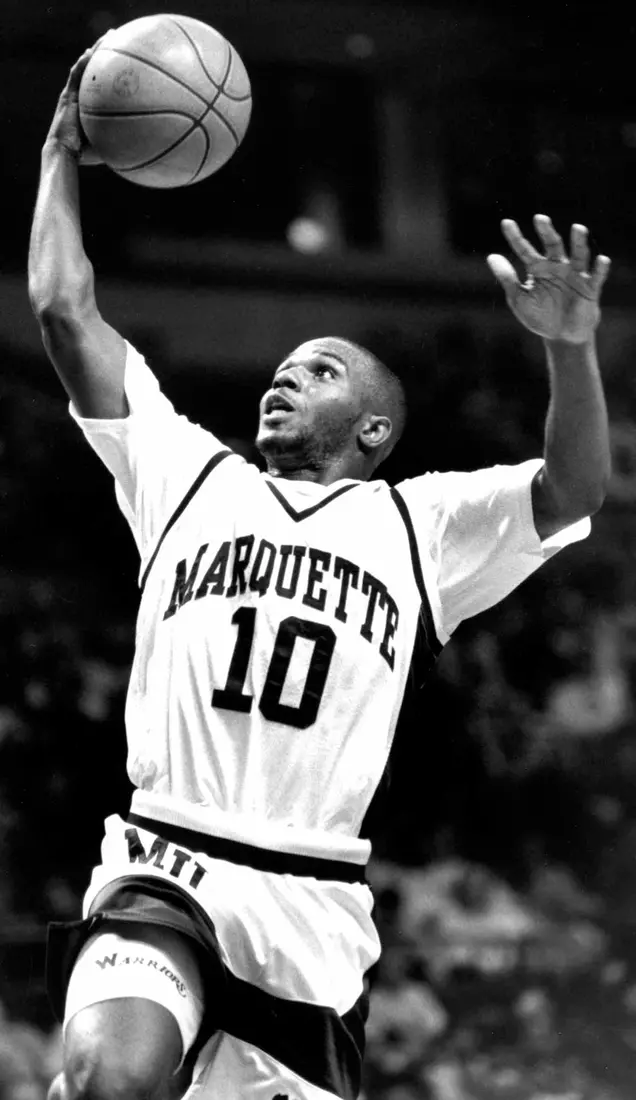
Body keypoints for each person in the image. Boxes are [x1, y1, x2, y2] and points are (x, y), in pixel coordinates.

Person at [27, 41, 611, 1100]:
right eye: (284, 368)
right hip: (168, 859)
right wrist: (59, 155)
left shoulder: (418, 522)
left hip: (310, 902)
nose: (287, 380)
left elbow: (571, 491)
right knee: (115, 1080)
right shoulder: (186, 473)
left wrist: (570, 350)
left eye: (321, 370)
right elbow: (68, 311)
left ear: (375, 425)